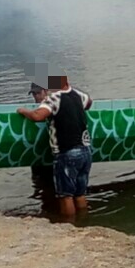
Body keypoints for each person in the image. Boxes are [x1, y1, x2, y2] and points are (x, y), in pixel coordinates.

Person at [17, 73, 92, 219]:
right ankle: (84, 221)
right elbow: (89, 103)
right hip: (85, 150)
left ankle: (69, 225)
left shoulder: (54, 99)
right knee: (79, 193)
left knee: (65, 195)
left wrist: (23, 111)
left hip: (67, 152)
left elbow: (37, 116)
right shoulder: (78, 95)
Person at [26, 83, 56, 205]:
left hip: (53, 152)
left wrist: (22, 111)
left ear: (46, 91)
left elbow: (37, 117)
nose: (36, 96)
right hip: (40, 153)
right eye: (33, 93)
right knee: (39, 180)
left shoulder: (52, 103)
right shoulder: (36, 107)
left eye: (38, 93)